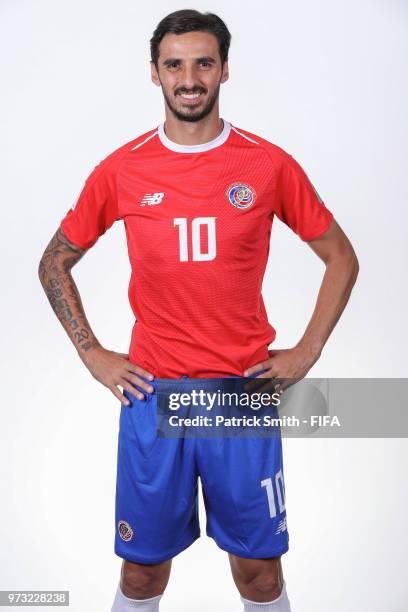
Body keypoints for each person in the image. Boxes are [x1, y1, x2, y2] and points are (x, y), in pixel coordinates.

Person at [38, 9, 359, 612]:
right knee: (142, 576)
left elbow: (341, 257)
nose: (190, 78)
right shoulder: (123, 168)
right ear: (155, 74)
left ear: (225, 70)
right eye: (175, 65)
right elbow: (54, 260)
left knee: (260, 574)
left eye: (203, 63)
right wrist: (93, 354)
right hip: (154, 395)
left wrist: (307, 349)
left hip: (240, 393)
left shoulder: (266, 164)